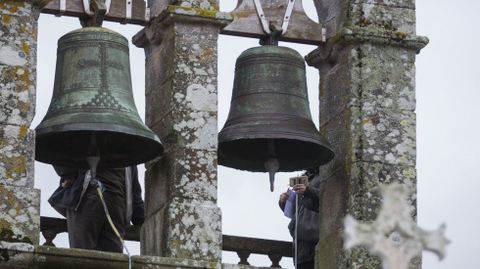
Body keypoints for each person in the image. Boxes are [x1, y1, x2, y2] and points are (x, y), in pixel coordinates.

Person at [48, 165, 145, 253]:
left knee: (82, 257)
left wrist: (70, 175)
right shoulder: (129, 151)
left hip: (89, 201)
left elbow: (55, 150)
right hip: (114, 206)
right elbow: (135, 196)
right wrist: (142, 221)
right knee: (111, 261)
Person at [279, 167, 322, 269]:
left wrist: (308, 190)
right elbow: (297, 211)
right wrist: (284, 203)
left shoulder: (326, 175)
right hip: (299, 243)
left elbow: (328, 199)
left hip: (314, 238)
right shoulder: (305, 176)